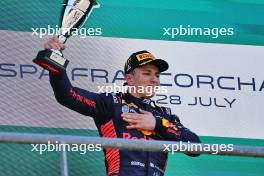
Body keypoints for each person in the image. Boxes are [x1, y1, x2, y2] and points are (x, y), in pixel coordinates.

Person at [45, 37, 201, 176]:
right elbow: (68, 95)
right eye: (147, 73)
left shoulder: (164, 115)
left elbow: (195, 147)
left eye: (157, 75)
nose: (155, 80)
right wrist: (55, 58)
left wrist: (157, 124)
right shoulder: (111, 103)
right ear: (129, 78)